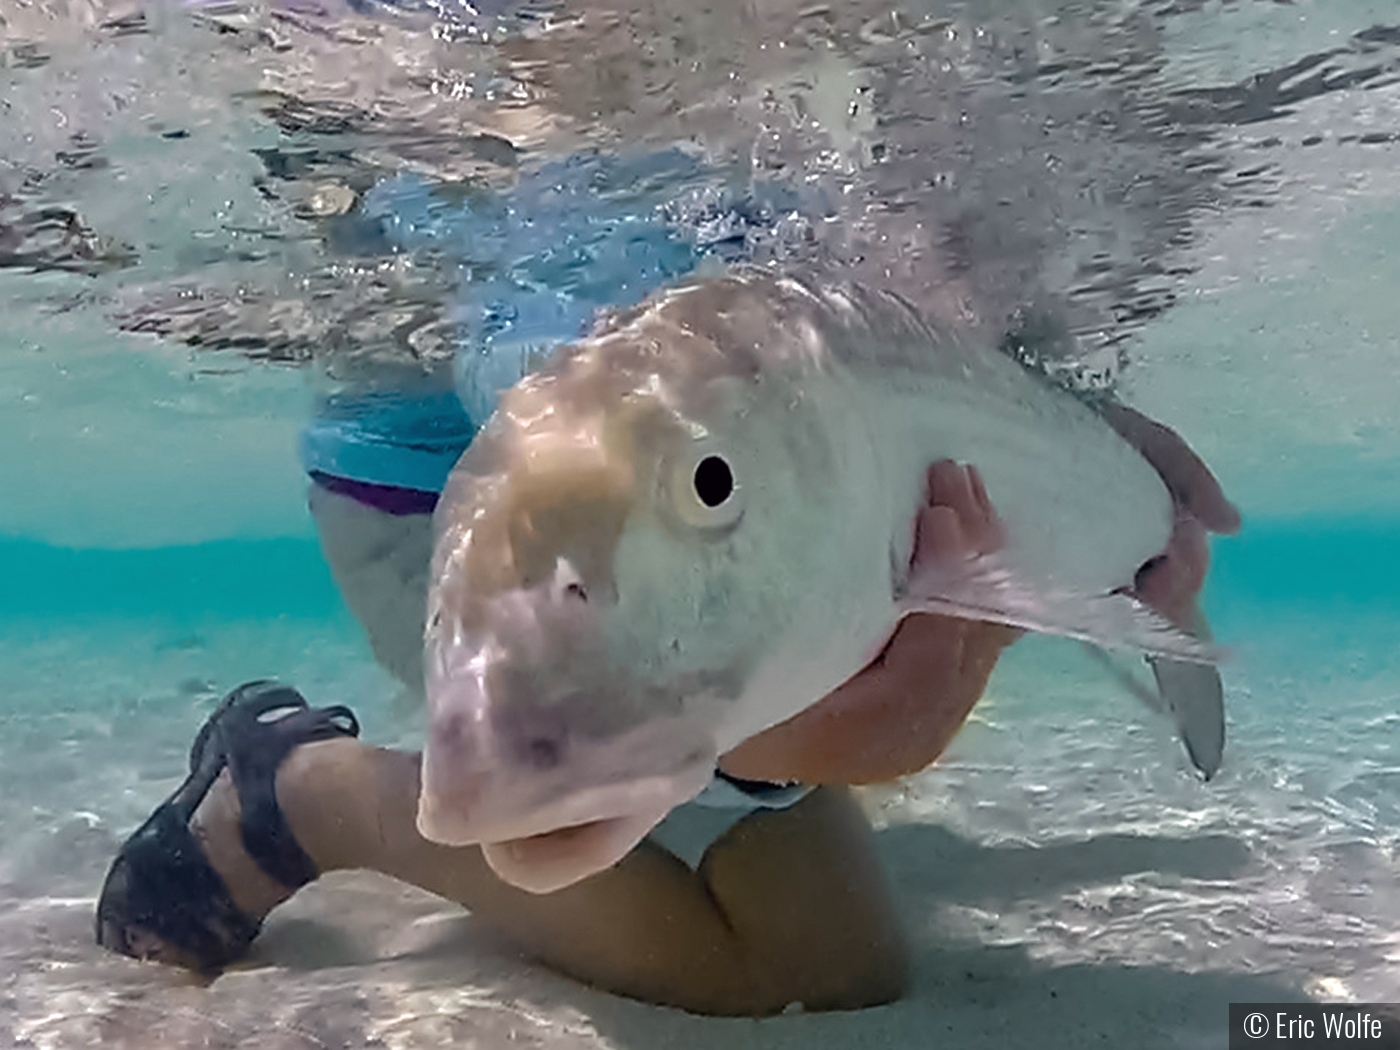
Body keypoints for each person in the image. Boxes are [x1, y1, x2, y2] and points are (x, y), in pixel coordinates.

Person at [94, 377, 1238, 1016]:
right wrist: (805, 736)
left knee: (837, 963)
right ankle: (303, 790)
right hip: (445, 518)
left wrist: (1056, 412)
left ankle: (714, 777)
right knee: (790, 971)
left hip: (703, 534)